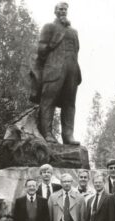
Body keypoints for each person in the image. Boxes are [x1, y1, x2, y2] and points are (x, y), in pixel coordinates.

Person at [30, 2, 81, 145]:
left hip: (72, 71)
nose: (63, 11)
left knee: (70, 104)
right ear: (55, 11)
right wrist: (54, 42)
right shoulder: (49, 27)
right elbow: (41, 51)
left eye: (65, 9)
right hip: (53, 70)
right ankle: (46, 133)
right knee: (48, 101)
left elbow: (76, 51)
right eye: (60, 9)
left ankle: (68, 136)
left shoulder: (74, 31)